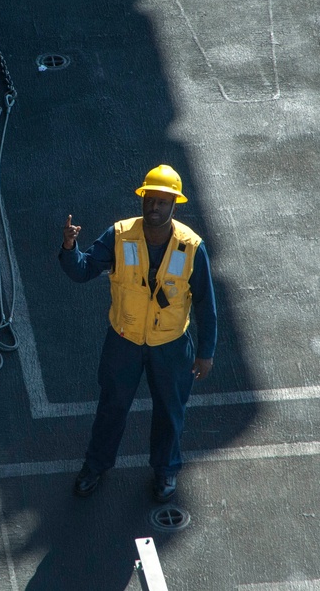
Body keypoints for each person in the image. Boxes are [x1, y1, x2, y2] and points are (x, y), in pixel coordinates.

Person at [58, 164, 216, 503]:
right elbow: (83, 270)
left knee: (170, 411)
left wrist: (206, 352)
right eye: (150, 201)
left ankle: (166, 470)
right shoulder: (120, 234)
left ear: (175, 204)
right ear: (142, 200)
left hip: (171, 347)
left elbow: (205, 304)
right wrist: (71, 248)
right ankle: (95, 466)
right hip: (124, 341)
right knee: (111, 407)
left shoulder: (191, 248)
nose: (154, 208)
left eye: (162, 202)